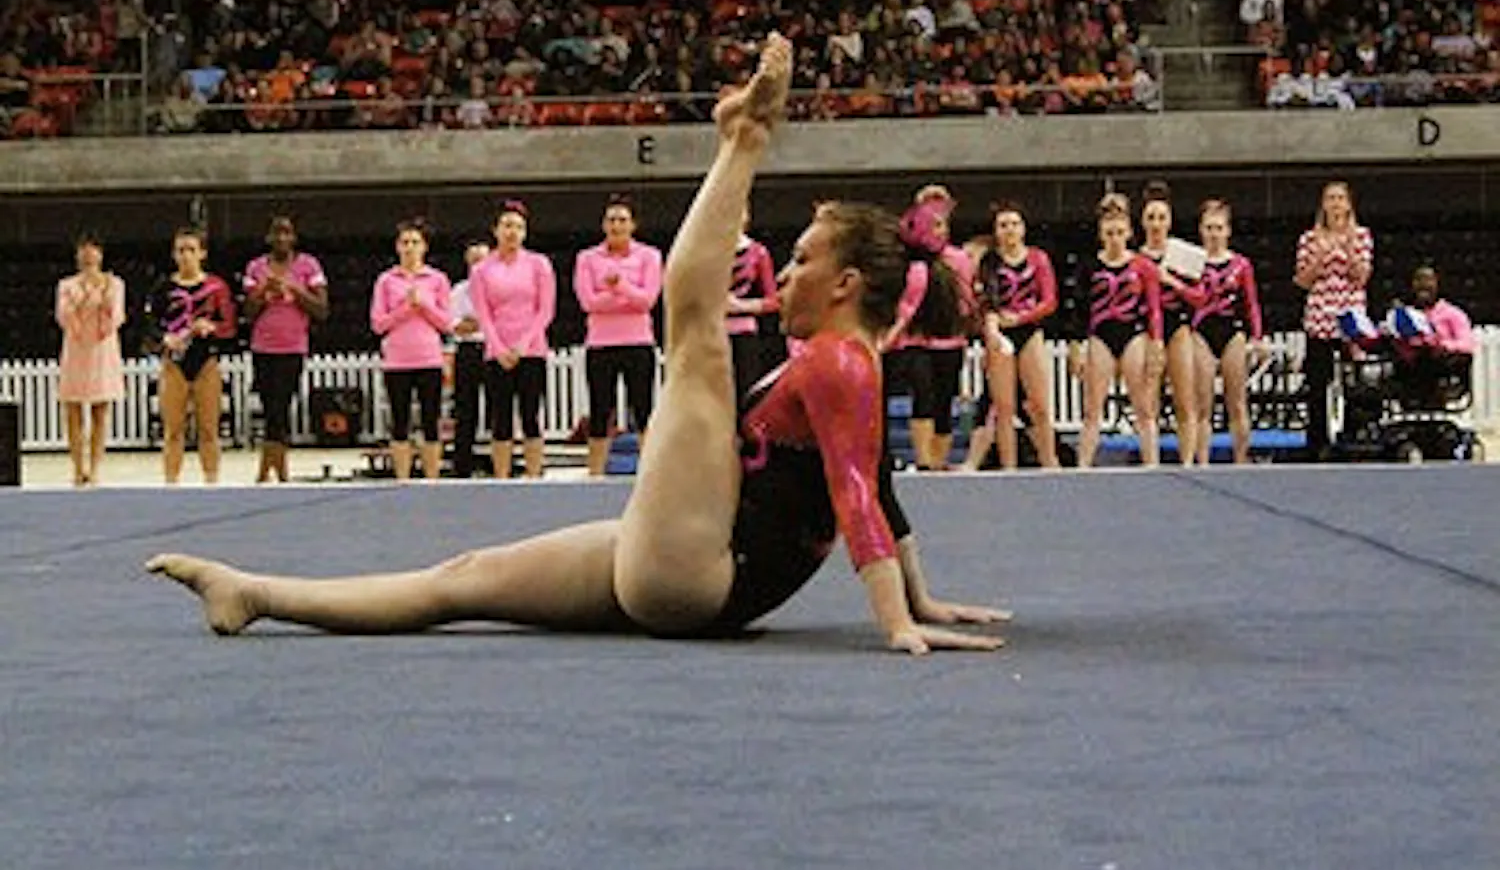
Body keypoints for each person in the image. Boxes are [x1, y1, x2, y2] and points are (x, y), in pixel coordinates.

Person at [147, 34, 1006, 654]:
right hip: (686, 560)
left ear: (848, 284)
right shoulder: (848, 363)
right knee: (465, 575)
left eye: (802, 260)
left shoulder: (840, 358)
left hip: (701, 569)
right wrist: (922, 596)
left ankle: (743, 140)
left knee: (698, 341)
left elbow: (857, 490)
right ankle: (254, 592)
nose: (783, 274)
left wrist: (897, 621)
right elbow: (878, 484)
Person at [1069, 193, 1164, 468]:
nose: (1115, 238)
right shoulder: (1090, 266)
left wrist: (1156, 343)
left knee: (1143, 407)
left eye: (1120, 232)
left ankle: (1152, 464)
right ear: (1101, 235)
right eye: (1109, 233)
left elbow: (1154, 307)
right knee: (1092, 408)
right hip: (1100, 335)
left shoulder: (1143, 266)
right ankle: (1083, 466)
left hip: (1133, 334)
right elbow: (1080, 310)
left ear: (1130, 233)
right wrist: (1077, 345)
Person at [882, 187, 971, 471]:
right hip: (917, 340)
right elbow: (904, 303)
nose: (938, 231)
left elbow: (966, 300)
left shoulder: (958, 259)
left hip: (950, 339)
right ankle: (923, 459)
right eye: (931, 224)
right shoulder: (911, 261)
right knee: (924, 395)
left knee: (945, 399)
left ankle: (938, 460)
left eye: (941, 225)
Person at [573, 194, 663, 475]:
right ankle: (596, 472)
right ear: (603, 225)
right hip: (601, 343)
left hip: (638, 341)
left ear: (633, 225)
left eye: (622, 220)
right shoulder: (587, 258)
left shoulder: (649, 256)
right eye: (611, 220)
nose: (616, 225)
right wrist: (622, 297)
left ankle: (648, 473)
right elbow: (588, 302)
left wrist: (618, 286)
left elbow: (647, 300)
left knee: (643, 408)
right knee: (600, 409)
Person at [469, 201, 556, 480]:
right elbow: (483, 314)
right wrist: (499, 348)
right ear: (496, 230)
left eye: (518, 227)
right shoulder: (482, 270)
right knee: (500, 418)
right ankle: (502, 477)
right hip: (497, 352)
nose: (512, 232)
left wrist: (524, 344)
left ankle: (533, 474)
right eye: (507, 226)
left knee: (531, 415)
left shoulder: (539, 264)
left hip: (531, 350)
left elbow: (545, 310)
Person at [144, 227, 238, 485]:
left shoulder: (216, 287)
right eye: (181, 250)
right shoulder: (164, 287)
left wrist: (212, 328)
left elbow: (230, 327)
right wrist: (165, 338)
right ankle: (171, 482)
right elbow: (150, 325)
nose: (186, 256)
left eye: (191, 250)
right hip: (174, 364)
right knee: (173, 431)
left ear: (202, 253)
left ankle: (211, 481)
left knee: (209, 430)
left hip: (206, 362)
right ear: (174, 255)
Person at [974, 201, 1060, 470]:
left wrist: (1021, 317)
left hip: (1029, 330)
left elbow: (1049, 301)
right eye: (1003, 225)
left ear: (1023, 228)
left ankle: (1050, 460)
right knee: (1004, 407)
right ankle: (1008, 466)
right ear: (996, 231)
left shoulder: (1038, 258)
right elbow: (986, 302)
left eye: (1014, 224)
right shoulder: (989, 262)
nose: (1009, 230)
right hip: (1001, 333)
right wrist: (992, 333)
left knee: (1040, 405)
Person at [243, 215, 329, 483]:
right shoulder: (256, 267)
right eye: (276, 234)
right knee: (270, 407)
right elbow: (247, 312)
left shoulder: (308, 265)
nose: (281, 239)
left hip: (292, 346)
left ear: (293, 237)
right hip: (263, 346)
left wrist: (295, 289)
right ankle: (275, 468)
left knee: (282, 405)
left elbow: (321, 309)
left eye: (286, 233)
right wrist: (263, 292)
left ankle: (270, 470)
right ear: (268, 238)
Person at [1293, 181, 1373, 461]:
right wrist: (1320, 256)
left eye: (1340, 198)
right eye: (1330, 198)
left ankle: (1353, 435)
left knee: (1353, 379)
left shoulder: (1362, 236)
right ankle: (1317, 441)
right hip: (1320, 313)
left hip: (1350, 313)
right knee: (1318, 382)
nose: (1336, 203)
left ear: (1349, 204)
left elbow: (1362, 275)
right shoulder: (1309, 238)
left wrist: (1347, 246)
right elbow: (1302, 279)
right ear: (1323, 204)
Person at [370, 218, 452, 481]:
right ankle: (402, 478)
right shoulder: (386, 280)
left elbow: (446, 322)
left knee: (431, 420)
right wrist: (405, 308)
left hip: (429, 358)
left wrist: (424, 306)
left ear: (424, 247)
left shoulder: (437, 279)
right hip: (397, 360)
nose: (409, 247)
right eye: (405, 242)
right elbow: (378, 323)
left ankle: (431, 477)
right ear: (397, 247)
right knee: (400, 420)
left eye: (415, 242)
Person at [1137, 181, 1206, 466]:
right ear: (1142, 221)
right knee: (1148, 401)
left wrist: (1172, 282)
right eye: (1151, 217)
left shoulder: (1183, 255)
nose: (1156, 224)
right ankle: (1150, 461)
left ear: (1170, 221)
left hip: (1177, 327)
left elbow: (1200, 298)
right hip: (1147, 330)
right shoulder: (1136, 258)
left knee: (1184, 399)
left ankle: (1187, 461)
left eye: (1161, 217)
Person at [1190, 201, 1265, 465]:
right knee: (1203, 405)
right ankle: (1202, 460)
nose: (1213, 233)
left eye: (1218, 228)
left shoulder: (1241, 265)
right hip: (1201, 332)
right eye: (1209, 227)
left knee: (1237, 402)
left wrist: (1257, 337)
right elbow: (1187, 298)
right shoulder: (1193, 263)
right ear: (1201, 230)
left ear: (1228, 231)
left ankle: (1241, 459)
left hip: (1232, 331)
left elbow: (1251, 304)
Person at [54, 232, 126, 486]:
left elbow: (116, 317)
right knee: (72, 410)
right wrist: (85, 294)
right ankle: (77, 467)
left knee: (100, 412)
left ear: (101, 254)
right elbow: (64, 317)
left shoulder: (114, 283)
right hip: (75, 349)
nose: (88, 255)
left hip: (102, 350)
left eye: (93, 249)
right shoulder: (66, 285)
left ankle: (95, 468)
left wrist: (103, 294)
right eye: (83, 250)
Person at [1389, 265, 1475, 408]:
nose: (1423, 284)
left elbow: (1467, 345)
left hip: (1440, 366)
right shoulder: (1406, 314)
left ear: (1437, 284)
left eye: (1428, 280)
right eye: (1418, 280)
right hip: (1408, 368)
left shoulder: (1453, 314)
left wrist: (1442, 344)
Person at [448, 238, 493, 479]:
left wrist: (478, 322)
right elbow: (454, 325)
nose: (478, 263)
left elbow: (497, 321)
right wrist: (476, 323)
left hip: (493, 347)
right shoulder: (458, 290)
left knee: (499, 407)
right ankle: (462, 464)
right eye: (474, 259)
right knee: (465, 409)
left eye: (482, 259)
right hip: (467, 350)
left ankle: (501, 462)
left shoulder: (499, 288)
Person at [726, 207, 779, 404]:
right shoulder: (707, 250)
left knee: (745, 392)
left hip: (743, 332)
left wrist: (742, 306)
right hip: (711, 333)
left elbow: (774, 300)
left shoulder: (758, 252)